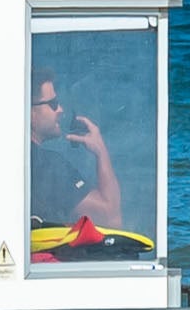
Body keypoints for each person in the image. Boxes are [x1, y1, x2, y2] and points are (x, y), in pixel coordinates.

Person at [29, 71, 125, 235]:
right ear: (30, 114)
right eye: (53, 104)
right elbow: (111, 218)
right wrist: (100, 151)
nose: (60, 109)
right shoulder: (47, 164)